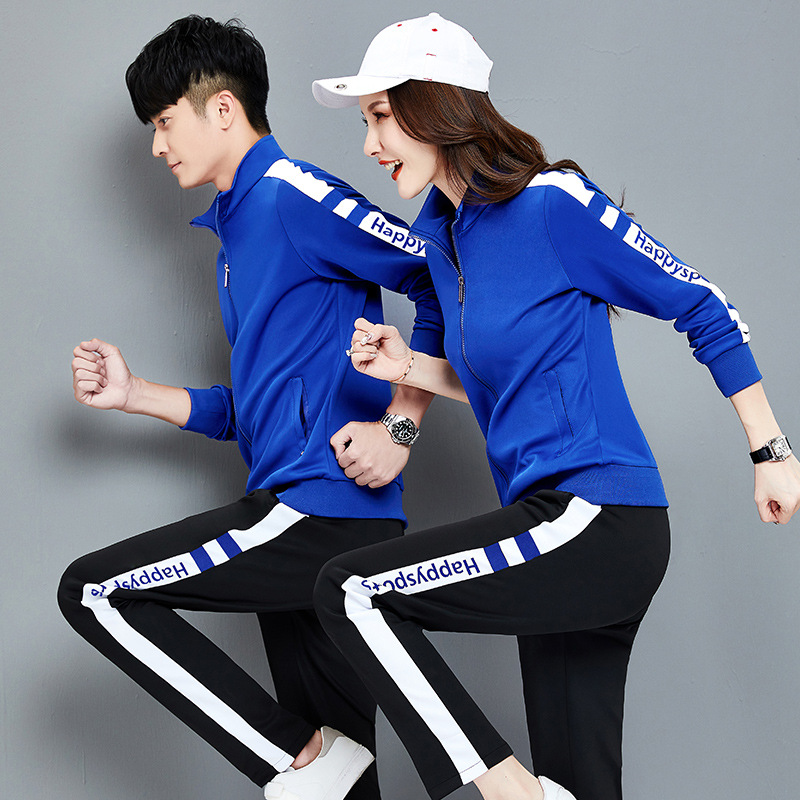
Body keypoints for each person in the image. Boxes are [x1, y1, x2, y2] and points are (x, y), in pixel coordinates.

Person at [310, 12, 800, 800]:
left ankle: (511, 792)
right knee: (581, 782)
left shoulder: (552, 204)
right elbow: (506, 380)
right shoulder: (442, 237)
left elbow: (703, 304)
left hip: (597, 515)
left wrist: (770, 450)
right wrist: (409, 367)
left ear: (437, 105)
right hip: (550, 521)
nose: (369, 144)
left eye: (380, 116)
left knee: (352, 590)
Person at [58, 15, 446, 800]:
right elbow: (266, 408)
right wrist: (136, 395)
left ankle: (295, 754)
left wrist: (401, 428)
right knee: (346, 786)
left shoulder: (296, 196)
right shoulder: (236, 230)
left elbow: (440, 275)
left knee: (97, 592)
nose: (158, 146)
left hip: (322, 510)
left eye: (165, 121)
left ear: (224, 109)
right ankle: (317, 761)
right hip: (301, 514)